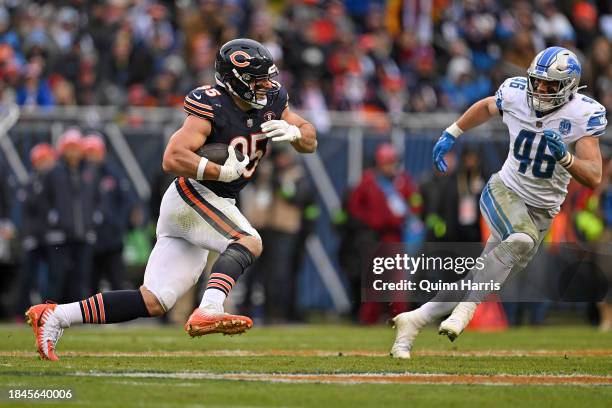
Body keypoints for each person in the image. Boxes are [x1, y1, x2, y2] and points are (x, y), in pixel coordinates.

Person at [25, 38, 317, 361]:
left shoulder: (274, 99)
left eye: (267, 78)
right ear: (235, 80)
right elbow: (172, 157)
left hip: (213, 203)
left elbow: (309, 137)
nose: (266, 86)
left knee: (155, 300)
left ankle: (55, 316)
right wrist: (219, 172)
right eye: (257, 80)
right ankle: (209, 308)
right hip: (194, 195)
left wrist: (295, 134)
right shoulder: (213, 104)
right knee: (249, 241)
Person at [391, 46, 607, 358]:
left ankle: (414, 321)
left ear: (569, 87)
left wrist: (567, 157)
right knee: (520, 238)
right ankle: (466, 310)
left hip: (543, 210)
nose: (540, 90)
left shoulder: (582, 114)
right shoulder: (517, 93)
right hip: (504, 190)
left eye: (550, 85)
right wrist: (452, 132)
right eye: (537, 81)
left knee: (480, 273)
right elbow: (488, 106)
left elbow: (594, 175)